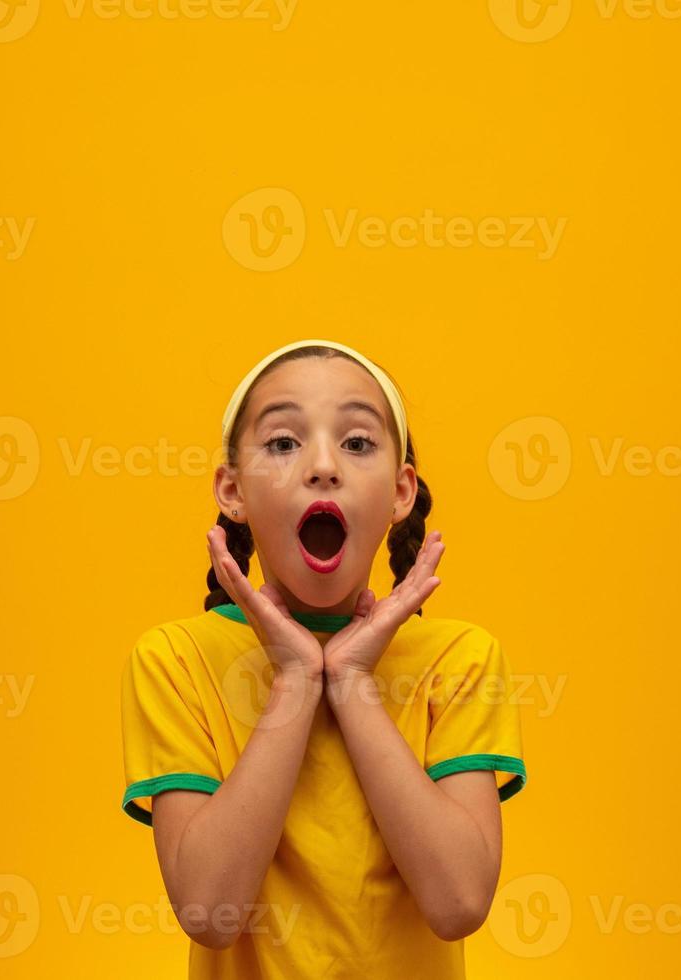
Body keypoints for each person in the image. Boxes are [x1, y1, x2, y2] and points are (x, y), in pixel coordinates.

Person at [119, 338, 527, 978]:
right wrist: (298, 678)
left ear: (400, 493)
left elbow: (459, 903)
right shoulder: (176, 659)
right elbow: (210, 911)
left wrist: (355, 683)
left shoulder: (461, 659)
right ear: (232, 492)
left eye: (357, 442)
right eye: (283, 443)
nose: (322, 465)